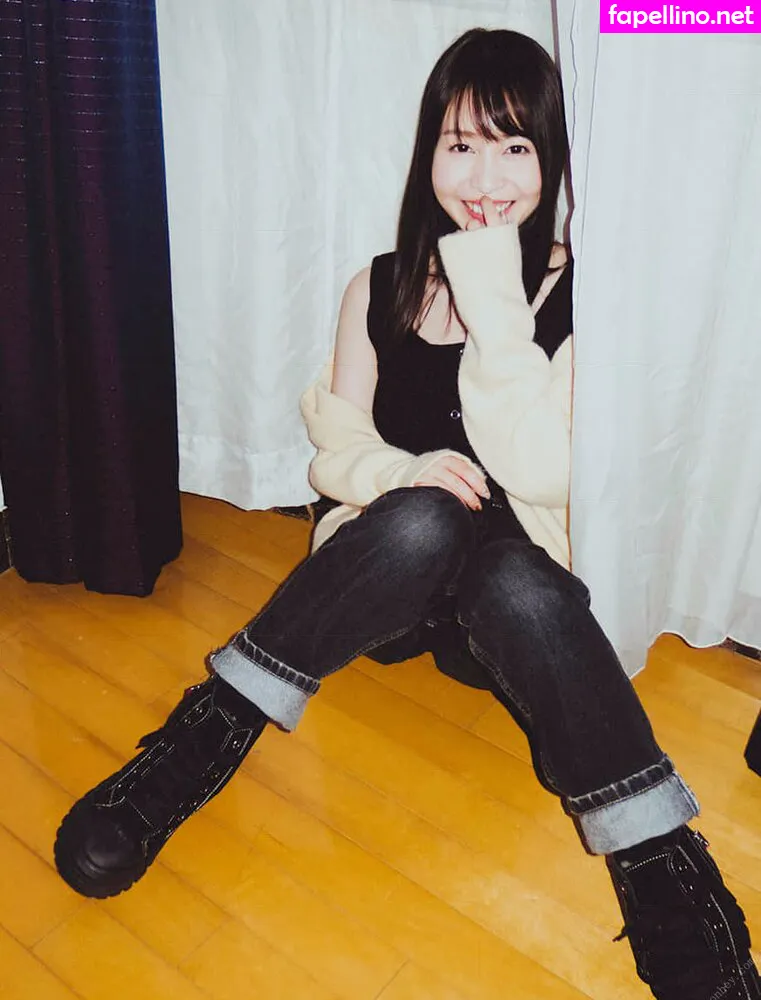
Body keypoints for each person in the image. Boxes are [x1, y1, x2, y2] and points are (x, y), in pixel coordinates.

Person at [54, 27, 759, 1000]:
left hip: (507, 617)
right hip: (379, 582)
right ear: (428, 151)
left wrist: (493, 292)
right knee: (427, 518)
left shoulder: (585, 298)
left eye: (514, 146)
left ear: (552, 161)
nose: (486, 175)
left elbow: (544, 472)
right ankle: (199, 741)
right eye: (460, 143)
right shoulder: (378, 285)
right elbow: (335, 448)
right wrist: (404, 470)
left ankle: (657, 861)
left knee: (507, 569)